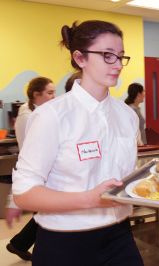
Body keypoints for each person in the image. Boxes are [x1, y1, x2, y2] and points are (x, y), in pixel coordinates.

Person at [12, 20, 143, 265]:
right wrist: (90, 198)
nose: (117, 65)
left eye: (121, 56)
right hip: (65, 241)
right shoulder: (52, 116)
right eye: (107, 55)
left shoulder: (126, 116)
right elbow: (24, 193)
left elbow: (125, 177)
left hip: (119, 235)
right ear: (80, 58)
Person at [5, 76, 56, 261]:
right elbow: (30, 151)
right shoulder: (28, 116)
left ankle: (19, 243)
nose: (54, 96)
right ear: (36, 95)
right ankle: (25, 246)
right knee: (44, 214)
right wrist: (13, 201)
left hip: (41, 170)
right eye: (50, 92)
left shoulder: (38, 111)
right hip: (36, 171)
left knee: (43, 213)